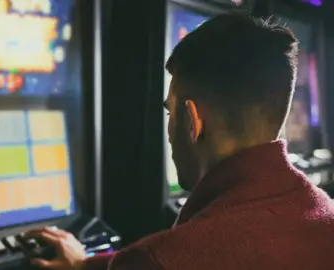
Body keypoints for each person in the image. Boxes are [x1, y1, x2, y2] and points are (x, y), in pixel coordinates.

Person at [26, 13, 334, 269]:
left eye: (170, 110)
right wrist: (84, 265)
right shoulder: (324, 211)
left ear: (192, 120)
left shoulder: (164, 259)